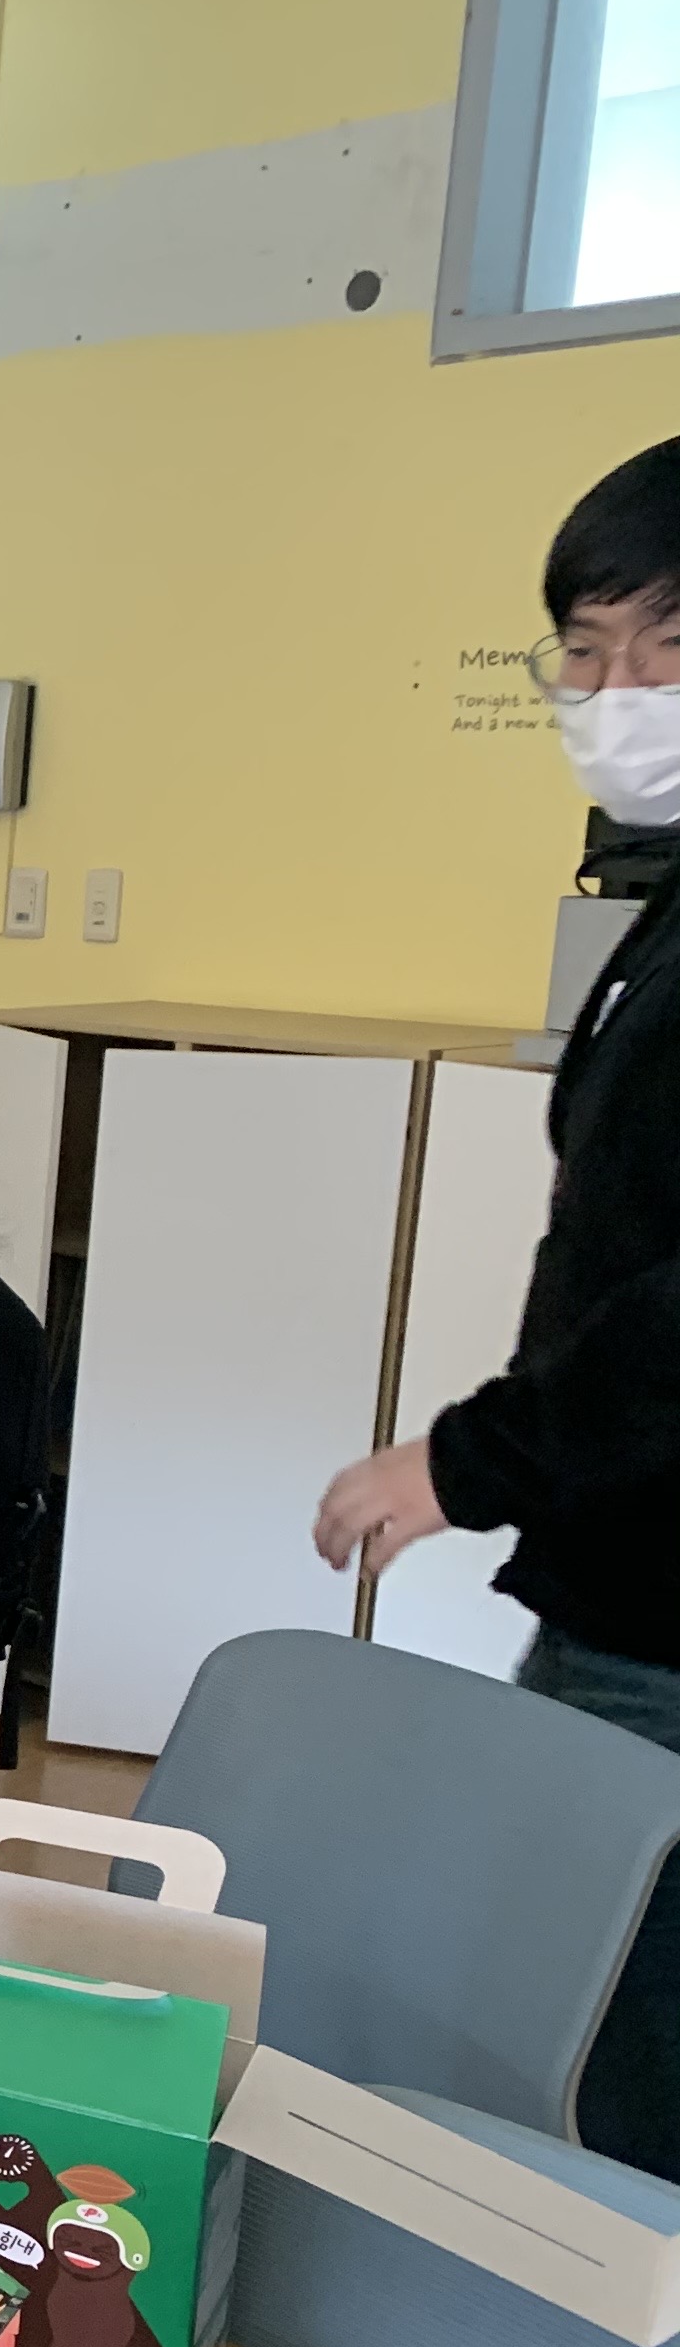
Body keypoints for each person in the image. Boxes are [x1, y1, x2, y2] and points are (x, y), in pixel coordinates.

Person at [316, 435, 680, 2177]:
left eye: (669, 642)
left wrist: (468, 1461)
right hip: (621, 1571)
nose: (619, 693)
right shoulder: (659, 900)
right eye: (587, 650)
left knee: (608, 2053)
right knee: (567, 1998)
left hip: (662, 1618)